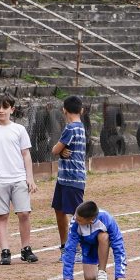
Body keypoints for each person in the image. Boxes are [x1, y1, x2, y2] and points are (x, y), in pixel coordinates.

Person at [0, 92, 39, 265]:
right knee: (2, 216)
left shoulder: (19, 130)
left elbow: (26, 154)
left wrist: (30, 177)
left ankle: (25, 248)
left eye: (5, 107)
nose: (1, 110)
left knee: (23, 213)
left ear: (12, 109)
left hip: (18, 178)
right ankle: (5, 250)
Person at [59, 201, 129, 280]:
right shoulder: (75, 222)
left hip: (103, 242)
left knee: (103, 236)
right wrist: (68, 276)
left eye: (79, 219)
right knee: (89, 278)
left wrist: (120, 275)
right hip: (88, 246)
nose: (75, 219)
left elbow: (118, 245)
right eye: (75, 215)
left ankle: (102, 271)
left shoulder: (106, 219)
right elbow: (70, 248)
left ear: (91, 221)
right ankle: (94, 267)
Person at [51, 95, 87, 253]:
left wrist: (60, 150)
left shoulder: (71, 128)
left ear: (64, 110)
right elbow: (62, 150)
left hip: (72, 178)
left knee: (77, 214)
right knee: (59, 209)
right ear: (82, 110)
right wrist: (62, 151)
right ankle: (66, 245)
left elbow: (54, 150)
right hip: (65, 178)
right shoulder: (80, 126)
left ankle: (78, 248)